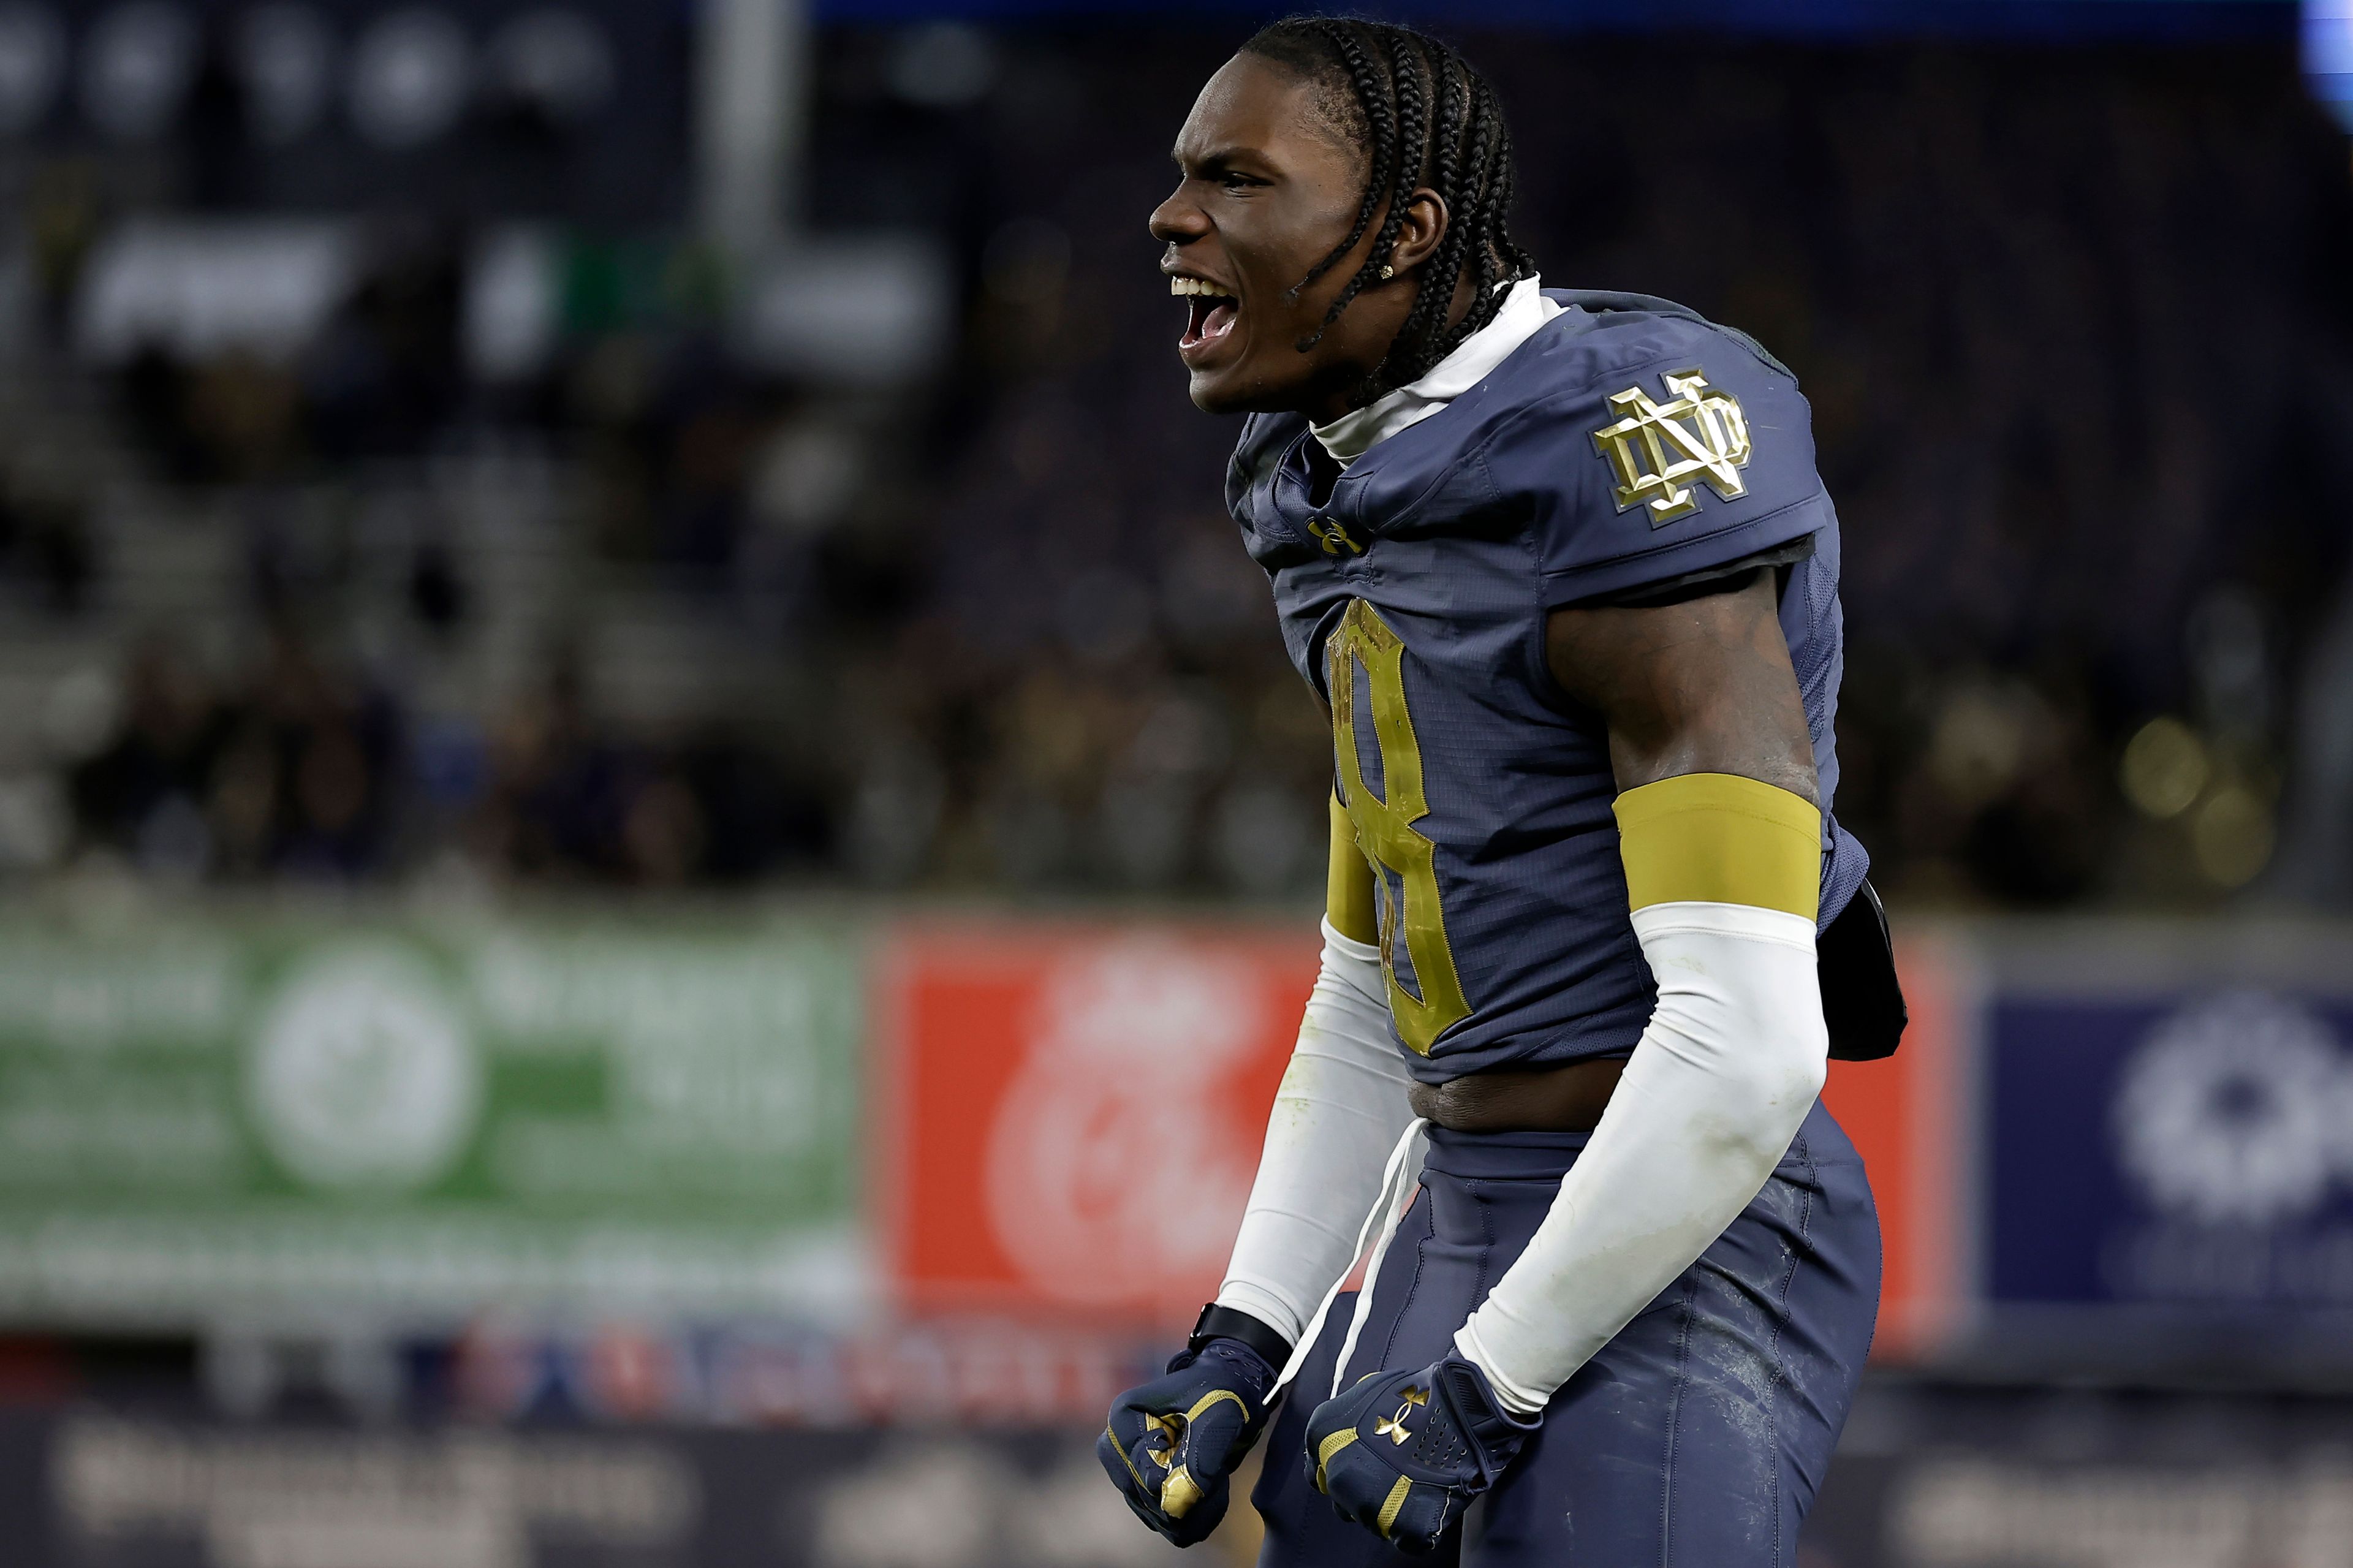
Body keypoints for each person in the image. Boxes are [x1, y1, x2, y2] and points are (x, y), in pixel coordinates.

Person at [1097, 16, 1903, 1566]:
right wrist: (1244, 1337)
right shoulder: (1332, 474)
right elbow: (1365, 990)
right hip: (1456, 1182)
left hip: (1685, 1221)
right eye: (1181, 177)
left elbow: (1747, 1043)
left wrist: (1482, 1384)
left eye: (1237, 180)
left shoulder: (1620, 459)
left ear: (1405, 233)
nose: (1173, 218)